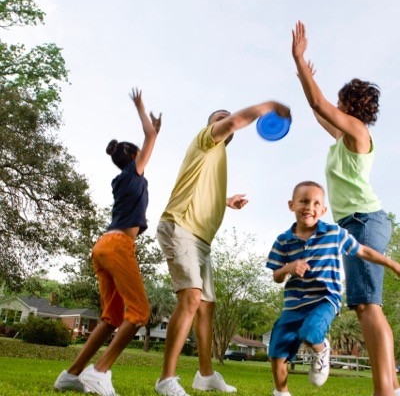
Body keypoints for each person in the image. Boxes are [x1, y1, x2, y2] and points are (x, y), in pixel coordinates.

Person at [292, 21, 400, 396]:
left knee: (368, 305)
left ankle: (384, 390)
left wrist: (300, 59)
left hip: (364, 222)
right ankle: (392, 386)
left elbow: (318, 104)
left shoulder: (357, 131)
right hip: (355, 225)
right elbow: (318, 112)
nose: (335, 106)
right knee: (365, 305)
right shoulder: (344, 136)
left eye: (340, 101)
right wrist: (302, 75)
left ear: (349, 105)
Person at [154, 101, 291, 396]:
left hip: (201, 240)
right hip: (180, 227)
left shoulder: (217, 156)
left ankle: (205, 375)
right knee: (191, 297)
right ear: (211, 126)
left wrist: (225, 201)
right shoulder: (206, 139)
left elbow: (201, 189)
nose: (226, 120)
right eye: (219, 118)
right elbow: (233, 122)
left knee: (206, 306)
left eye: (227, 118)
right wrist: (269, 106)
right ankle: (166, 379)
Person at [54, 88, 161, 396]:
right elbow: (150, 136)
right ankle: (99, 372)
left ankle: (70, 375)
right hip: (117, 247)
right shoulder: (133, 173)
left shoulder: (120, 179)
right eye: (140, 153)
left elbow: (148, 140)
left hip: (102, 246)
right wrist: (142, 108)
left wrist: (151, 129)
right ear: (133, 157)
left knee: (111, 317)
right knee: (139, 313)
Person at [266, 181, 400, 396]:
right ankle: (281, 392)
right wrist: (289, 268)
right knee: (277, 350)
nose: (309, 207)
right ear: (291, 205)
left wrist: (392, 264)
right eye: (304, 201)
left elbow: (363, 251)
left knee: (310, 332)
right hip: (293, 305)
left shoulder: (334, 233)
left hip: (325, 299)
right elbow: (276, 276)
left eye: (316, 203)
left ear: (323, 210)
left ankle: (321, 350)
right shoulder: (283, 241)